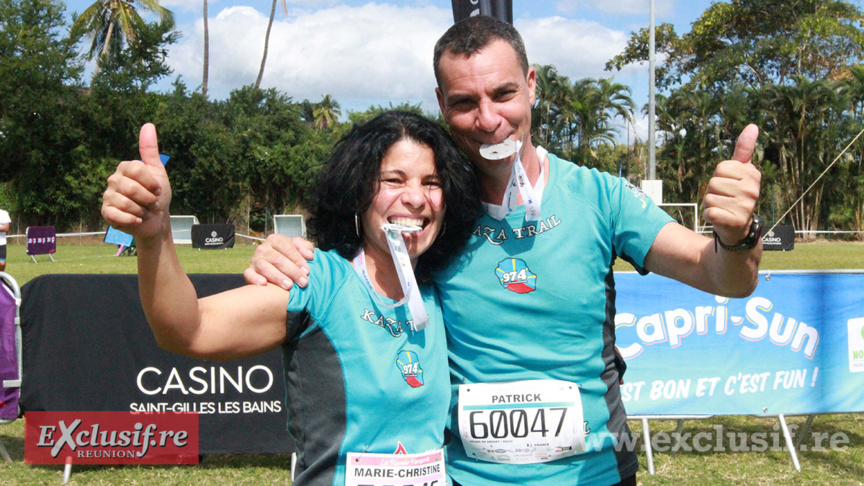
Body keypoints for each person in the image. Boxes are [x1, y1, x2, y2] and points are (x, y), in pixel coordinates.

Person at [245, 16, 763, 486]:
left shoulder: (600, 196)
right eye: (465, 103)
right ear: (442, 104)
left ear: (532, 85)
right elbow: (354, 263)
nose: (489, 119)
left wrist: (736, 236)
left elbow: (723, 276)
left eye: (504, 93)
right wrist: (283, 254)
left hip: (596, 475)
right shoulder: (429, 215)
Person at [101, 111, 481, 486]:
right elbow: (188, 330)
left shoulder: (445, 291)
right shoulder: (318, 281)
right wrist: (155, 235)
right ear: (358, 191)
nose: (415, 198)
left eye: (432, 183)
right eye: (393, 180)